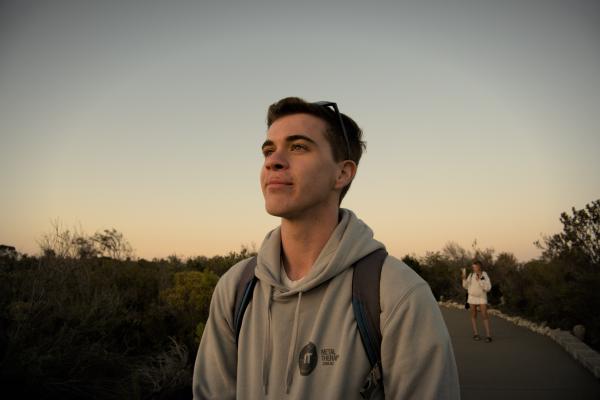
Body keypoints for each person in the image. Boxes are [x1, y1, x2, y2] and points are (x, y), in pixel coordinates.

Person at [193, 97, 460, 399]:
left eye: (298, 147)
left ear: (342, 173)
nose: (273, 161)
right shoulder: (236, 288)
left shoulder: (398, 294)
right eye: (268, 150)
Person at [462, 260, 492, 342]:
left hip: (482, 297)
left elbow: (488, 288)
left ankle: (488, 335)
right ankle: (476, 334)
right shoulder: (471, 275)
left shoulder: (484, 275)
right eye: (473, 267)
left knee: (484, 315)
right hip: (472, 297)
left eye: (475, 267)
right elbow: (465, 286)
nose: (474, 268)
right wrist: (464, 278)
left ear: (479, 267)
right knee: (473, 315)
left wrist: (480, 280)